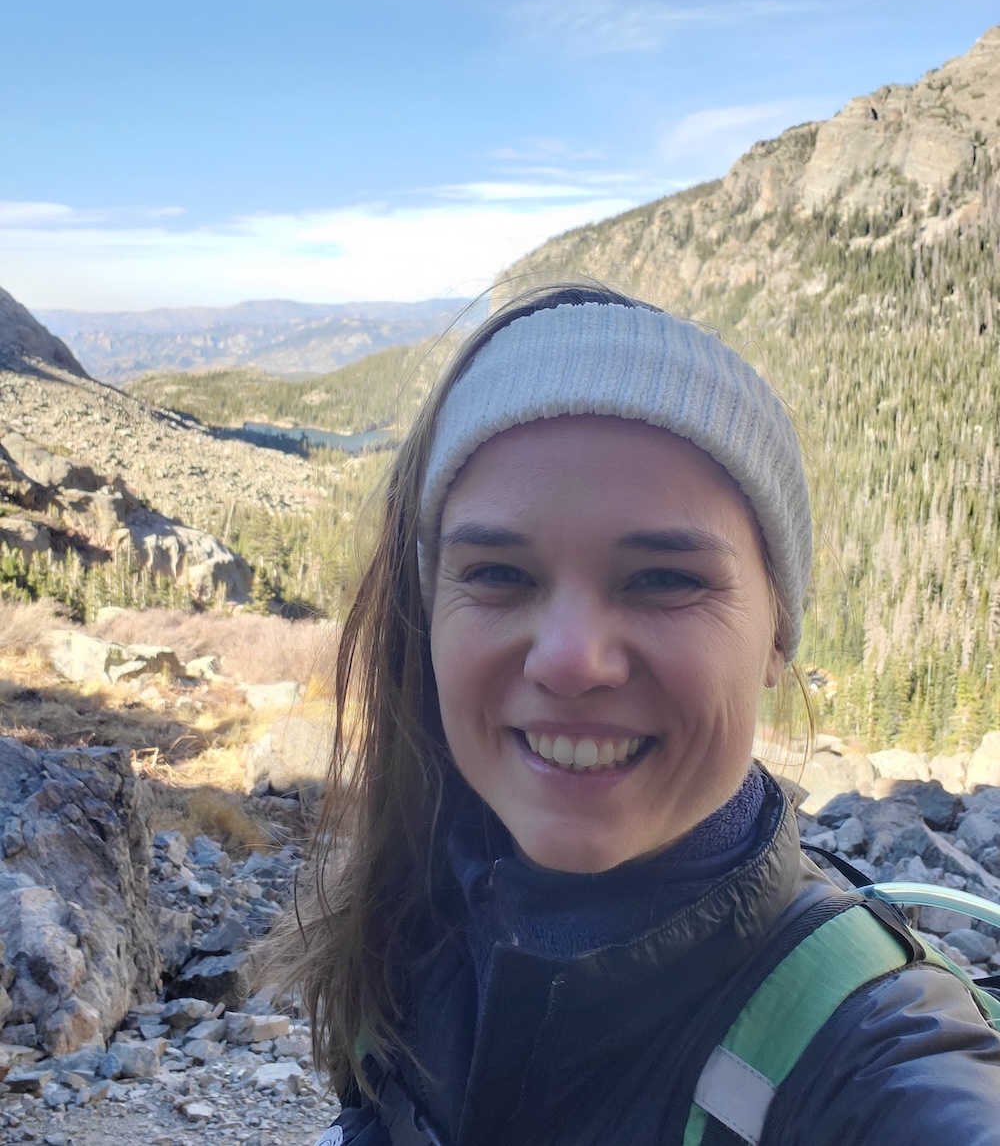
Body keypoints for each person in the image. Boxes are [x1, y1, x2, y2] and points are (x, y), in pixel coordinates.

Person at [278, 284, 1000, 1146]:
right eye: (500, 573)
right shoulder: (417, 904)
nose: (571, 659)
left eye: (664, 579)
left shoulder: (873, 1052)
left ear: (777, 637)